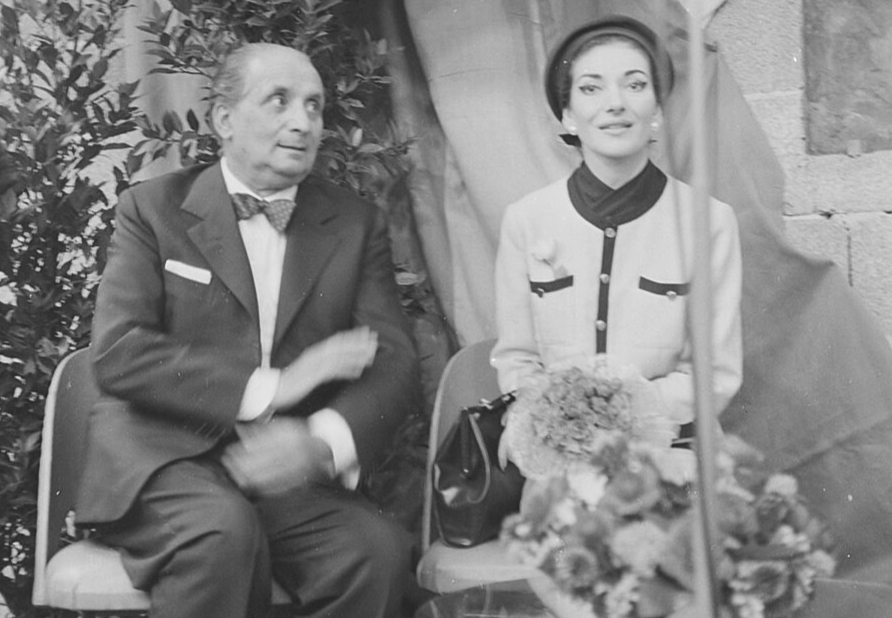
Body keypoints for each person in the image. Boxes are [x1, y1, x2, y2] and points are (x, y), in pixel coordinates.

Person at [75, 42, 419, 618]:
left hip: (282, 467)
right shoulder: (152, 209)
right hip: (164, 463)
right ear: (224, 119)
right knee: (221, 535)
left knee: (374, 553)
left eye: (314, 105)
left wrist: (317, 443)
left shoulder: (355, 224)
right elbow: (120, 349)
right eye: (279, 100)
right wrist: (271, 390)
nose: (301, 121)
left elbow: (394, 363)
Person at [492, 15, 742, 437]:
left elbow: (714, 376)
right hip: (560, 446)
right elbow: (516, 361)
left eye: (635, 85)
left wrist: (619, 413)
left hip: (671, 443)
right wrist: (564, 421)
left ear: (658, 110)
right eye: (591, 88)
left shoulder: (709, 223)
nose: (616, 103)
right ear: (568, 115)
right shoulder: (526, 220)